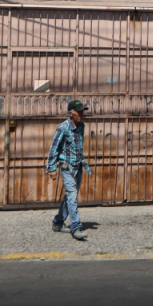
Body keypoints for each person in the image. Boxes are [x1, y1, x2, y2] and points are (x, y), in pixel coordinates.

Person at [47, 100, 90, 240]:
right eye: (79, 111)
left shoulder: (81, 126)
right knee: (72, 197)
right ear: (71, 113)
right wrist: (52, 168)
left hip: (78, 167)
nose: (81, 114)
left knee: (70, 197)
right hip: (67, 168)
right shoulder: (63, 128)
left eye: (82, 111)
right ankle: (76, 227)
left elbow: (78, 147)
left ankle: (58, 222)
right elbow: (54, 149)